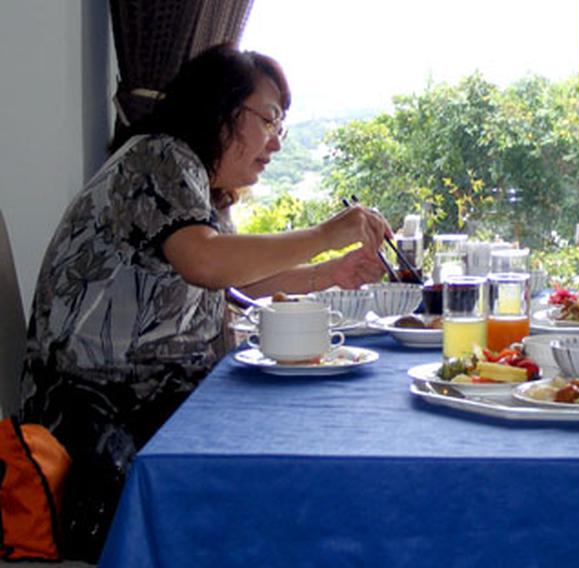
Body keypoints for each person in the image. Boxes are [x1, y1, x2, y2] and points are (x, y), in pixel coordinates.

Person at [19, 43, 390, 560]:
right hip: (97, 415)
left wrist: (330, 272)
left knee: (307, 432)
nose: (277, 143)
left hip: (157, 397)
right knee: (286, 465)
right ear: (220, 109)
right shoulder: (159, 155)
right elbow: (206, 261)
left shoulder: (202, 187)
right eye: (269, 120)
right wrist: (326, 235)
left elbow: (232, 278)